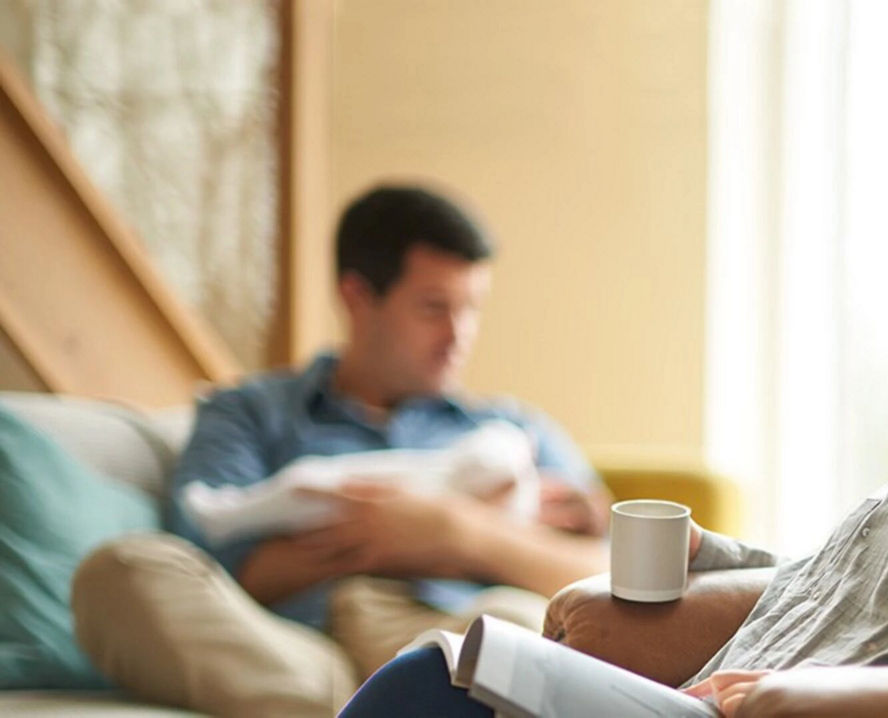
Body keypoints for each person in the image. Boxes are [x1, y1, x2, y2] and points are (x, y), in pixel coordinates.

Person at [339, 170, 888, 717]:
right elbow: (848, 583)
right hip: (709, 702)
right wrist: (710, 554)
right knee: (446, 674)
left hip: (782, 713)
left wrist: (829, 699)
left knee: (434, 687)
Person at [71, 184, 612, 716]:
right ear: (357, 297)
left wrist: (455, 532)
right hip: (297, 652)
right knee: (119, 573)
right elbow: (207, 557)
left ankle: (385, 706)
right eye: (433, 309)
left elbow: (609, 572)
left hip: (455, 632)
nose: (459, 334)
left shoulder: (510, 429)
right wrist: (372, 537)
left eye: (471, 308)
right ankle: (393, 708)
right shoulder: (249, 411)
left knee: (514, 626)